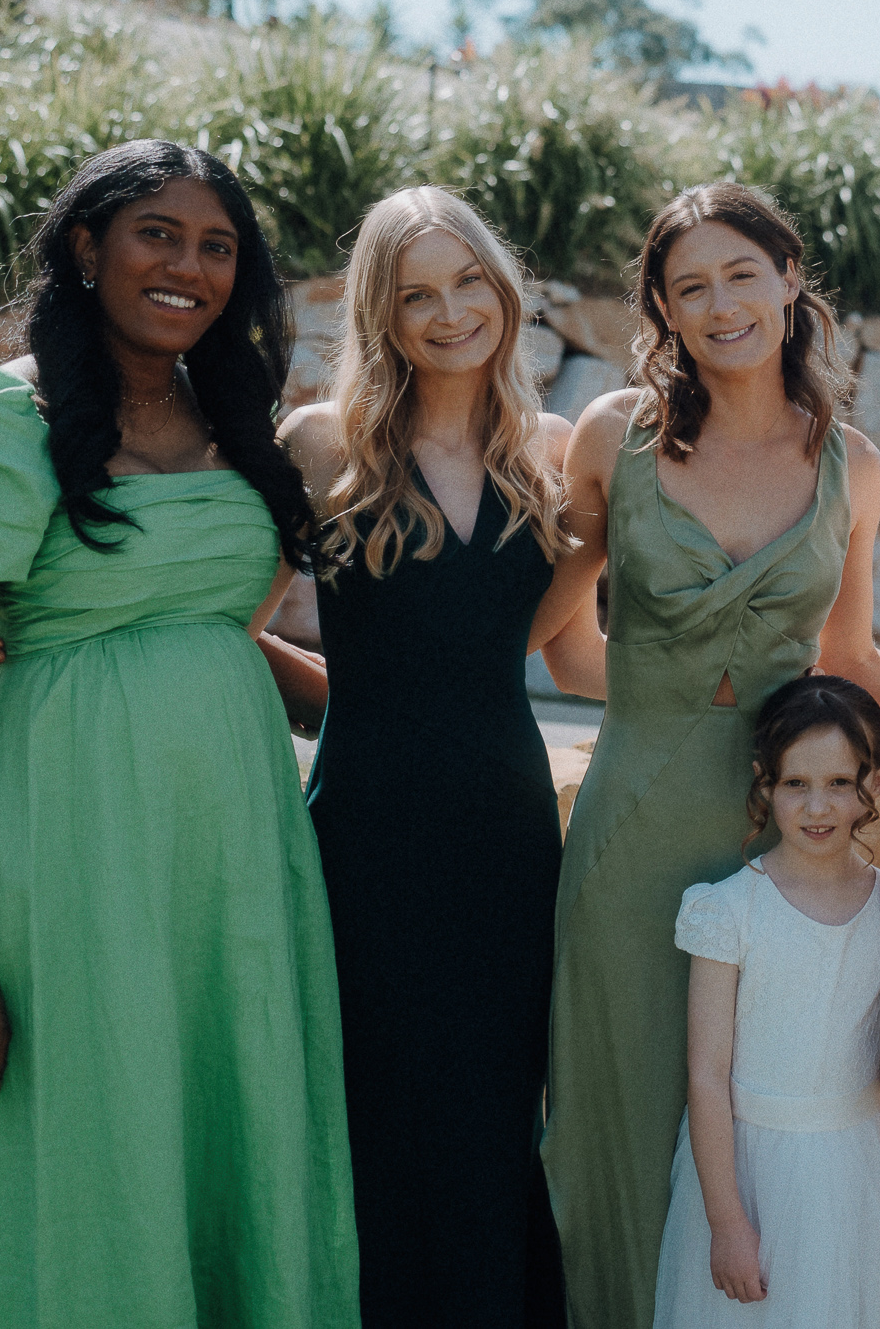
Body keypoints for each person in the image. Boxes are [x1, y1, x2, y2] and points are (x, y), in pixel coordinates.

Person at [0, 140, 356, 1326]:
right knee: (90, 1147)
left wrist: (402, 716)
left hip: (233, 873)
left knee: (221, 1144)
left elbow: (212, 637)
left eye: (218, 246)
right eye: (159, 235)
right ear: (87, 247)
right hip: (68, 862)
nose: (190, 266)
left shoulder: (238, 425)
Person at [540, 181, 880, 1329]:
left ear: (791, 281)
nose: (722, 302)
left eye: (742, 272)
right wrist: (658, 700)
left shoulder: (854, 462)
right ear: (663, 311)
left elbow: (848, 660)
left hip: (787, 843)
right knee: (623, 1110)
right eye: (690, 286)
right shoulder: (613, 439)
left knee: (767, 1115)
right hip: (634, 828)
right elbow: (552, 630)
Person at [268, 186, 576, 1326]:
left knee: (500, 1111)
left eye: (467, 284)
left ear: (500, 291)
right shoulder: (319, 444)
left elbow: (547, 650)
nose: (449, 314)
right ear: (379, 314)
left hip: (506, 832)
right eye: (417, 296)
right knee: (375, 1109)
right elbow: (230, 628)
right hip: (364, 830)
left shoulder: (545, 454)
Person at [653, 674, 880, 1329]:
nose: (817, 805)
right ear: (764, 783)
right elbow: (707, 1076)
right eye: (796, 782)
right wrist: (726, 1219)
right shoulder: (730, 910)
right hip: (752, 1173)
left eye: (838, 783)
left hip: (861, 1169)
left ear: (872, 785)